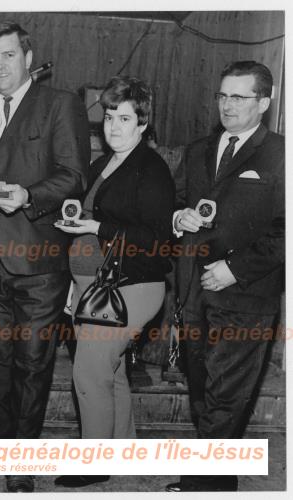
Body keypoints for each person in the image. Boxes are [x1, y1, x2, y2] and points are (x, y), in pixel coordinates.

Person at [0, 22, 90, 493]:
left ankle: (22, 459)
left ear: (27, 56)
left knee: (33, 362)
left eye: (8, 56)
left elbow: (74, 175)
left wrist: (29, 195)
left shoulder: (60, 104)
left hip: (38, 261)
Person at [166, 61, 284, 492]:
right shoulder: (199, 149)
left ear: (264, 102)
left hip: (247, 295)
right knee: (201, 388)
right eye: (222, 95)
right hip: (195, 290)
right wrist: (179, 217)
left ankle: (202, 485)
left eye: (239, 96)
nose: (227, 105)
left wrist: (235, 269)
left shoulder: (280, 154)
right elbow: (177, 201)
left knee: (225, 394)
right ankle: (220, 480)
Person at [54, 76, 175, 488]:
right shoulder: (104, 162)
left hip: (132, 286)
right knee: (112, 371)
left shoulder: (151, 170)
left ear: (142, 123)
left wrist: (97, 224)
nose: (114, 126)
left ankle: (94, 462)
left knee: (89, 374)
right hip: (95, 286)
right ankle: (123, 446)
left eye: (124, 118)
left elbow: (158, 239)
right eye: (108, 116)